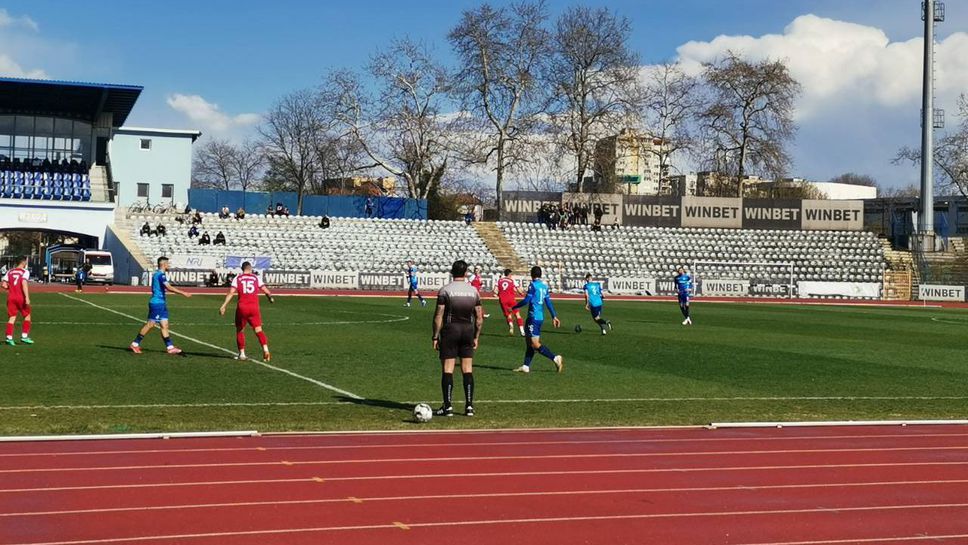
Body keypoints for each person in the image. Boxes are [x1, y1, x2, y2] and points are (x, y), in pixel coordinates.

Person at [431, 259, 483, 417]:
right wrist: (476, 336)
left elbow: (438, 315)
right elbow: (479, 318)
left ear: (452, 272)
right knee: (467, 369)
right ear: (466, 273)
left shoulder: (445, 290)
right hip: (467, 330)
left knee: (448, 369)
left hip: (450, 330)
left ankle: (447, 407)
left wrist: (435, 336)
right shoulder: (473, 291)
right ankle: (469, 407)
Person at [129, 256, 192, 355]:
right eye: (168, 263)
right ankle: (135, 344)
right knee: (151, 324)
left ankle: (170, 347)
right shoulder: (160, 275)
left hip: (161, 303)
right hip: (157, 303)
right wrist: (183, 293)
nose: (169, 265)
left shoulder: (158, 274)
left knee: (164, 325)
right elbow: (169, 287)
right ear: (163, 264)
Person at [219, 261, 274, 361]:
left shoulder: (238, 278)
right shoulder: (256, 277)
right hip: (254, 307)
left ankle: (242, 354)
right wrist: (270, 297)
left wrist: (224, 306)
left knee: (240, 330)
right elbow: (266, 291)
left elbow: (231, 293)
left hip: (242, 307)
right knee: (258, 330)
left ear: (242, 269)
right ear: (250, 268)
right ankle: (266, 350)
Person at [513, 266, 563, 373]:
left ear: (531, 275)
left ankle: (555, 358)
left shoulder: (533, 285)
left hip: (534, 317)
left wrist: (514, 306)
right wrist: (554, 316)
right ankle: (526, 366)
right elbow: (548, 302)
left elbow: (527, 300)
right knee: (528, 342)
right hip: (539, 317)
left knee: (535, 344)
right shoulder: (544, 286)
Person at [2, 256, 33, 345]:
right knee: (27, 316)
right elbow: (24, 283)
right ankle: (24, 336)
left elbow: (3, 284)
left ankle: (9, 338)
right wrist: (27, 297)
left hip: (11, 297)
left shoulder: (10, 271)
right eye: (26, 261)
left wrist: (10, 287)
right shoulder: (25, 272)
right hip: (20, 298)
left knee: (12, 317)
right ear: (23, 262)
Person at [496, 269, 525, 336]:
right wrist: (522, 293)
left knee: (508, 315)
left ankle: (511, 325)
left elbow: (495, 290)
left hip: (503, 300)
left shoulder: (499, 280)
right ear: (510, 274)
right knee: (517, 315)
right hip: (511, 299)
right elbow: (520, 291)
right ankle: (522, 331)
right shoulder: (512, 280)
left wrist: (498, 294)